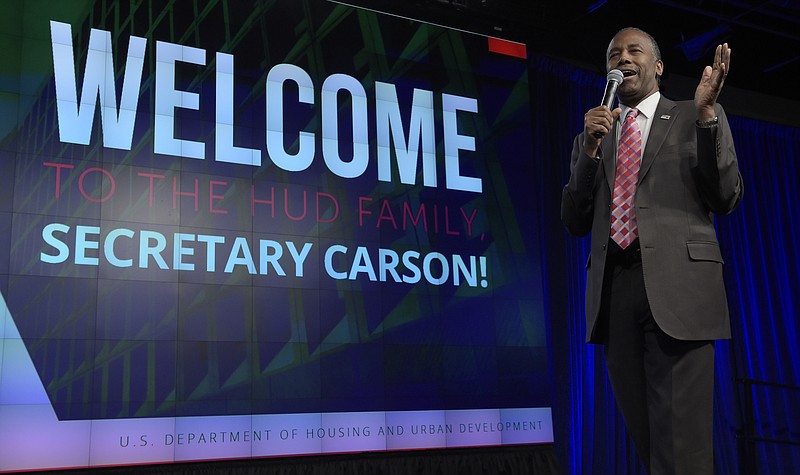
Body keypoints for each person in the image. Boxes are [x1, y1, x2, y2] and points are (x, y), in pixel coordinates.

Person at [561, 27, 743, 474]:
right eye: (613, 53)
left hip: (678, 291)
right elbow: (573, 218)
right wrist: (588, 149)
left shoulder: (693, 114)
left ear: (657, 66)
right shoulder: (595, 135)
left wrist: (706, 117)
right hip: (615, 294)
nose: (622, 58)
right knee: (650, 444)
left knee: (684, 450)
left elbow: (726, 196)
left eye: (634, 50)